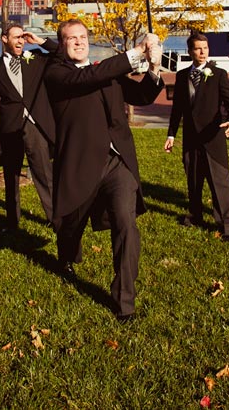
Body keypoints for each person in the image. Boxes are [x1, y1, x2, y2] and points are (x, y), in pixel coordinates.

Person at [44, 19, 163, 321]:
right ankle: (67, 253)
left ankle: (124, 302)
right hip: (80, 164)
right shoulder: (57, 75)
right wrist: (136, 51)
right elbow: (92, 76)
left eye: (83, 37)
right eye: (72, 38)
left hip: (117, 162)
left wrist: (154, 67)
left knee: (126, 223)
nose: (79, 42)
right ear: (62, 44)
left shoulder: (106, 73)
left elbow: (142, 96)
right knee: (70, 223)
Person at [165, 32, 229, 241]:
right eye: (198, 48)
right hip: (191, 139)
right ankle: (196, 215)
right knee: (193, 180)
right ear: (190, 51)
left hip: (212, 138)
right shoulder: (182, 76)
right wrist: (171, 134)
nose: (202, 52)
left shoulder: (218, 74)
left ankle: (228, 225)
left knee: (220, 183)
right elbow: (177, 109)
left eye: (205, 48)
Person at [0, 23, 58, 230]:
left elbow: (61, 53)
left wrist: (40, 41)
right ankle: (12, 221)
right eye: (16, 37)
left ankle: (54, 218)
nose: (20, 41)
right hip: (9, 129)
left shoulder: (36, 58)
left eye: (22, 37)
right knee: (11, 176)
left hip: (36, 125)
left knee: (44, 174)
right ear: (4, 39)